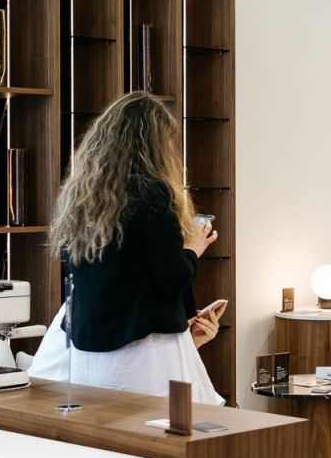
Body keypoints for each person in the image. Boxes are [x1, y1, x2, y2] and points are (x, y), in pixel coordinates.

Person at [48, 91, 226, 404]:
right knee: (159, 430)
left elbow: (100, 272)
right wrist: (192, 248)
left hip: (89, 353)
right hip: (143, 355)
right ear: (154, 145)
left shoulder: (81, 197)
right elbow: (171, 277)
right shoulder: (152, 193)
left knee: (103, 431)